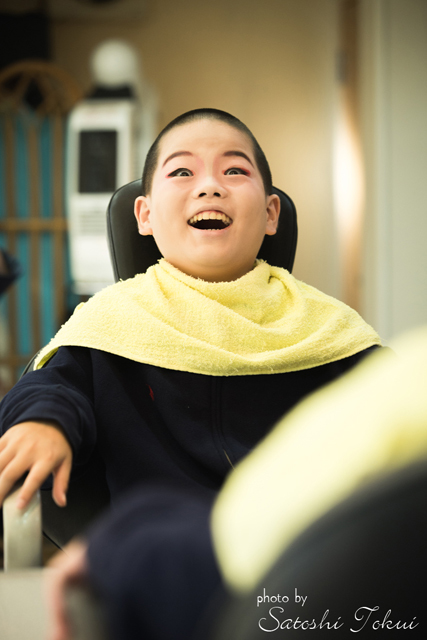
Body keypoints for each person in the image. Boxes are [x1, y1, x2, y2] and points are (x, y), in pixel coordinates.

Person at [0, 108, 381, 515]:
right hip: (159, 541)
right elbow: (52, 387)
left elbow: (396, 405)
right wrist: (43, 421)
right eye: (182, 172)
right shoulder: (110, 320)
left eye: (234, 170)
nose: (210, 187)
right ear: (144, 215)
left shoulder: (327, 327)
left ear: (271, 214)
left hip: (299, 548)